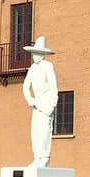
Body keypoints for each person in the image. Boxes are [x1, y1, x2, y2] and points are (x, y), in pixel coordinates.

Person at [22, 36, 58, 168]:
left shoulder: (48, 66)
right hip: (36, 104)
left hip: (46, 103)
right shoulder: (32, 68)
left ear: (42, 54)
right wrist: (30, 99)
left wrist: (52, 105)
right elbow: (26, 86)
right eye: (33, 53)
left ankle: (44, 157)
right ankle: (37, 156)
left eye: (36, 53)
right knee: (35, 131)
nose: (34, 56)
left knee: (44, 131)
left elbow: (54, 88)